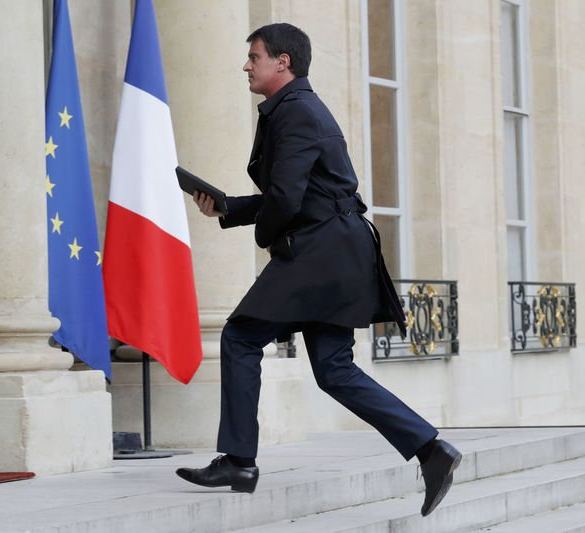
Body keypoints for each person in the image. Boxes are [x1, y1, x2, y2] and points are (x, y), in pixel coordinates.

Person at [175, 23, 461, 517]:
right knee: (334, 370)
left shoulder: (298, 113)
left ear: (282, 62)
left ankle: (240, 461)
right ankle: (431, 449)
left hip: (322, 251)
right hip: (334, 248)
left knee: (240, 336)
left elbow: (286, 199)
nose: (247, 66)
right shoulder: (293, 110)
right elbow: (297, 193)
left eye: (254, 57)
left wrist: (267, 237)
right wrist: (228, 208)